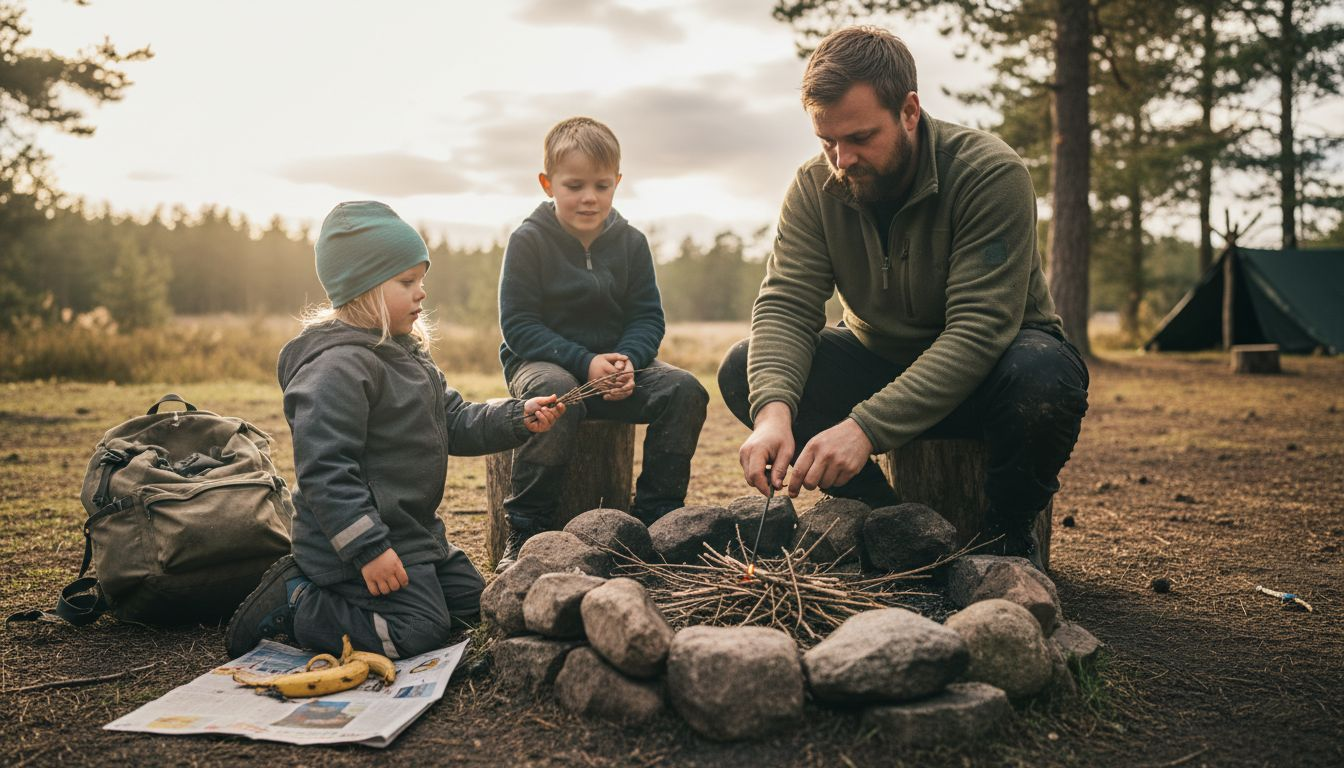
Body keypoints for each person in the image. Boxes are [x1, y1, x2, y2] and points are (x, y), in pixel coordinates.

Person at [718, 27, 1089, 570]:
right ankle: (886, 521)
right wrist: (773, 414)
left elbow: (978, 331)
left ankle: (1004, 542)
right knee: (744, 367)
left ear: (909, 111)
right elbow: (786, 305)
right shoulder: (813, 187)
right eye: (827, 141)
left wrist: (864, 428)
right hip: (880, 363)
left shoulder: (989, 173)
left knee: (1044, 375)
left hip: (990, 380)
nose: (842, 159)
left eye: (860, 137)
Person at [225, 201, 564, 659]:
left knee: (476, 604)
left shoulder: (404, 354)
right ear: (363, 288)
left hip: (411, 534)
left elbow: (453, 420)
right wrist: (368, 550)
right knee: (418, 629)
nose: (421, 293)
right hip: (351, 546)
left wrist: (515, 417)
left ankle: (394, 588)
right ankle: (298, 599)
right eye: (407, 282)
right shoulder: (336, 369)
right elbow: (325, 472)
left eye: (421, 280)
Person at [494, 116, 709, 572]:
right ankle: (527, 529)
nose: (589, 197)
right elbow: (519, 325)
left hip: (615, 370)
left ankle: (657, 521)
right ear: (547, 183)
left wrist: (628, 360)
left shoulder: (631, 243)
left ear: (617, 183)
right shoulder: (529, 241)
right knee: (555, 394)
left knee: (685, 390)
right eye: (574, 186)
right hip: (542, 363)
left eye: (601, 185)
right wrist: (585, 361)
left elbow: (647, 316)